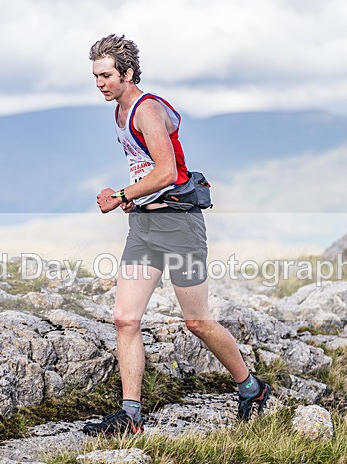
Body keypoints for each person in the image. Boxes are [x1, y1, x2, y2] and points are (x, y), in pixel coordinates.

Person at [83, 34, 271, 437]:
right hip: (144, 229)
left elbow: (168, 173)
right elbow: (148, 173)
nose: (100, 83)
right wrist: (133, 199)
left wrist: (119, 195)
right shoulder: (118, 111)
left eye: (107, 75)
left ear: (128, 73)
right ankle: (131, 415)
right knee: (125, 318)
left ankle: (251, 389)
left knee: (197, 322)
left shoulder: (146, 110)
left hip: (179, 226)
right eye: (95, 76)